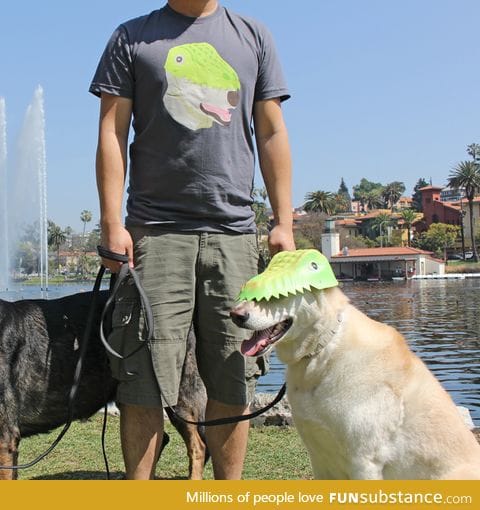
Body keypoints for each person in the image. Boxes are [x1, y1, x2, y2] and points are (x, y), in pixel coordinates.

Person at [89, 0, 295, 480]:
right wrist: (110, 223)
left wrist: (283, 220)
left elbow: (270, 131)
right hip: (154, 236)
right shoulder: (132, 36)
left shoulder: (254, 36)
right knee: (141, 378)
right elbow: (111, 131)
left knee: (233, 373)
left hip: (234, 235)